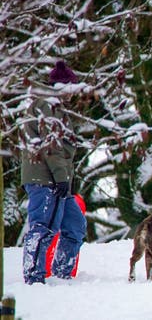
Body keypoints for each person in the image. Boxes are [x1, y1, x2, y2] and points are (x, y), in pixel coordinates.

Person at [21, 60, 87, 284]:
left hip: (58, 180)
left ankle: (62, 274)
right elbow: (52, 149)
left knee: (75, 225)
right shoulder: (48, 106)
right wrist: (61, 179)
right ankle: (33, 277)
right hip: (45, 179)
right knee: (43, 227)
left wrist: (66, 180)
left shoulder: (58, 108)